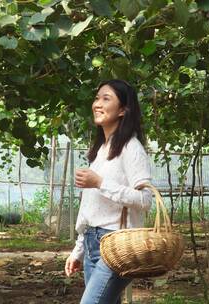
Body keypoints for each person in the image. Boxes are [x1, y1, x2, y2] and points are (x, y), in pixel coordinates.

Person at [64, 79, 153, 304]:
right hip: (94, 242)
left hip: (116, 244)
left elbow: (145, 199)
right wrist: (79, 250)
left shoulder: (131, 148)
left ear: (123, 110)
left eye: (106, 98)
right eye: (96, 98)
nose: (97, 104)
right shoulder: (100, 151)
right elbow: (90, 209)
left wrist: (100, 182)